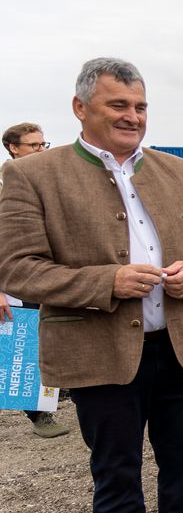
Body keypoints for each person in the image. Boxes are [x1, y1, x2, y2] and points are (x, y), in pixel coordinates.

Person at [0, 58, 183, 513]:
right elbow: (18, 268)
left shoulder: (179, 171)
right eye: (118, 106)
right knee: (117, 475)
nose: (133, 117)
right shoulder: (34, 177)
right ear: (81, 109)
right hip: (100, 355)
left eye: (140, 107)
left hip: (180, 347)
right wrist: (107, 281)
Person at [1, 122, 70, 438]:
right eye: (34, 145)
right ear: (14, 148)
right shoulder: (5, 190)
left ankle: (54, 394)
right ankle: (39, 415)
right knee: (23, 346)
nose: (41, 150)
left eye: (44, 144)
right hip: (14, 282)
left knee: (53, 338)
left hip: (47, 276)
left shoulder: (45, 184)